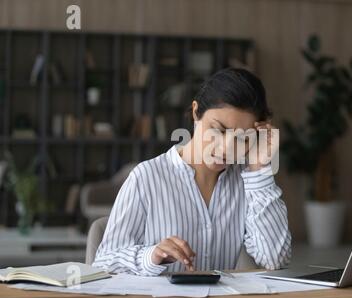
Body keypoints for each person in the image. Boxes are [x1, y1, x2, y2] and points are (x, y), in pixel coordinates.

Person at [93, 68, 291, 276]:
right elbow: (103, 264)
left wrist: (259, 169)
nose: (226, 148)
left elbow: (274, 259)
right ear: (196, 112)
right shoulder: (146, 178)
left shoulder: (248, 182)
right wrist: (150, 256)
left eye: (242, 138)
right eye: (219, 130)